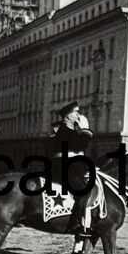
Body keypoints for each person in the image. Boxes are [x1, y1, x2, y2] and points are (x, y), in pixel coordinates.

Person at [51, 100, 95, 241]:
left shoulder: (69, 131)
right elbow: (80, 146)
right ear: (68, 116)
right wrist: (86, 131)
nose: (78, 115)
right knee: (83, 190)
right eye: (75, 112)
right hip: (65, 167)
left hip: (70, 166)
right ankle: (75, 223)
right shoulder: (65, 131)